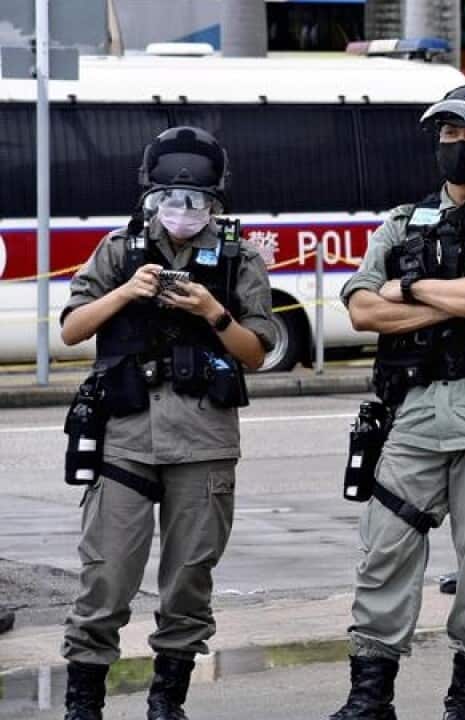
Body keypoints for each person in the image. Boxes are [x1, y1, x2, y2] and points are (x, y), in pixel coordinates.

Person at [328, 82, 465, 720]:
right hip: (413, 417)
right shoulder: (402, 221)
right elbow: (362, 310)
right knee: (384, 554)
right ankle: (370, 700)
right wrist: (450, 295)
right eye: (448, 133)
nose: (456, 144)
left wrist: (409, 289)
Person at [58, 126, 275, 720]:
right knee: (105, 578)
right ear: (151, 197)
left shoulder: (238, 256)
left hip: (204, 441)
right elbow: (72, 329)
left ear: (214, 201)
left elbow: (257, 352)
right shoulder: (118, 248)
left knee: (188, 581)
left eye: (196, 200)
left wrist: (214, 311)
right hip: (125, 437)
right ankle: (83, 704)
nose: (182, 210)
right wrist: (127, 293)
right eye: (170, 199)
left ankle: (166, 702)